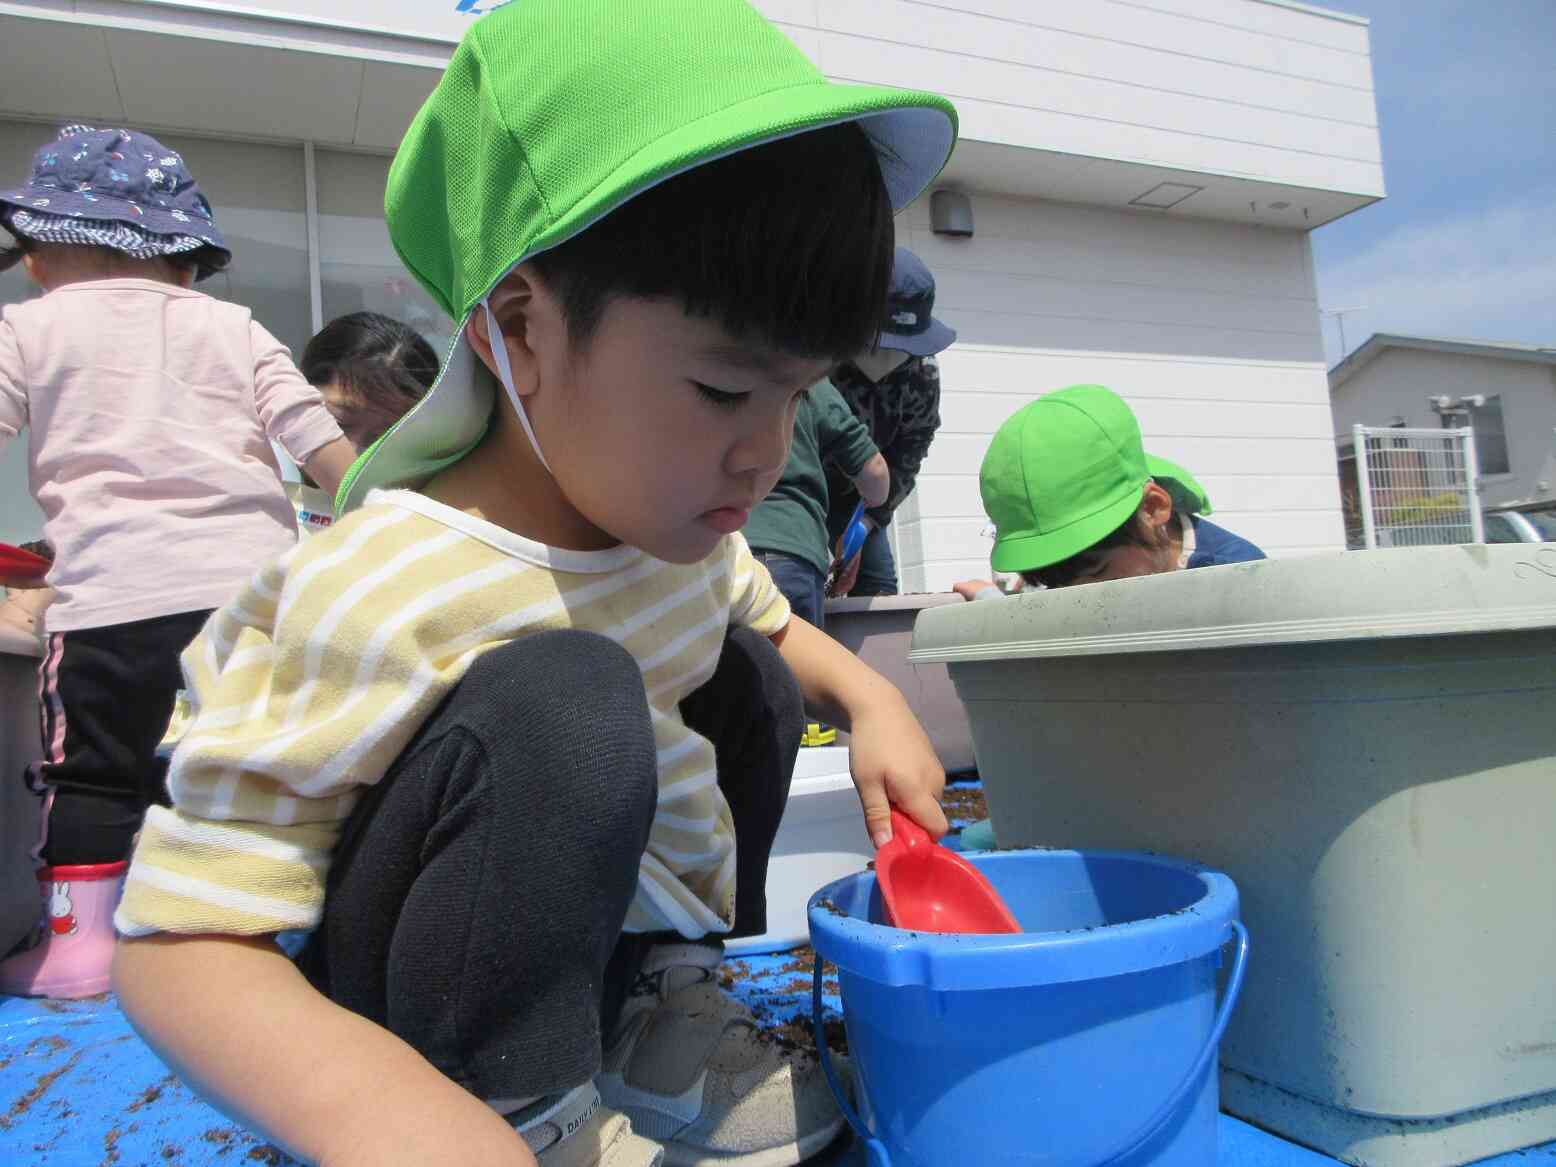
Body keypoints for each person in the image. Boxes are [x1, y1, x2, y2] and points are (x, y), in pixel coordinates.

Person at [110, 5, 957, 1167]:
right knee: (567, 696)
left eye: (797, 394)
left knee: (753, 678)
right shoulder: (382, 586)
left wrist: (873, 702)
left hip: (586, 938)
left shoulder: (671, 536)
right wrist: (379, 1115)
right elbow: (178, 942)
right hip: (408, 1015)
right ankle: (518, 1109)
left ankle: (654, 1016)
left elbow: (765, 618)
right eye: (723, 391)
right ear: (520, 329)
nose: (764, 455)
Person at [0, 126, 355, 999]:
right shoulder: (235, 326)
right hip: (255, 604)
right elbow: (325, 449)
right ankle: (258, 932)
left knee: (93, 771)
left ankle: (81, 949)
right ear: (187, 263)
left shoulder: (27, 327)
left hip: (110, 601)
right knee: (258, 767)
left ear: (40, 253)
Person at [955, 384, 1265, 600]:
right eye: (1054, 585)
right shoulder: (1093, 567)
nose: (1075, 601)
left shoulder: (1239, 585)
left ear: (1152, 508)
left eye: (1099, 572)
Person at [825, 246, 956, 597]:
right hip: (797, 488)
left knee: (878, 585)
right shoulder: (812, 358)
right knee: (796, 574)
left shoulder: (923, 374)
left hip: (862, 497)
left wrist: (865, 525)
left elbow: (909, 453)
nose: (888, 357)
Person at [745, 380, 888, 630]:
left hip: (718, 555)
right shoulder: (805, 374)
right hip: (791, 552)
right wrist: (871, 503)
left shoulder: (704, 366)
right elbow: (875, 473)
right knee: (794, 656)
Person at [289, 311, 438, 536]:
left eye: (382, 438)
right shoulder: (251, 471)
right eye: (339, 423)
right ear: (299, 392)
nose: (353, 452)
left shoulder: (426, 516)